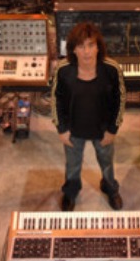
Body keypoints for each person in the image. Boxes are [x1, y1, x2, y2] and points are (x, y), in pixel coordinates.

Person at [51, 22, 126, 212]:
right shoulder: (63, 69)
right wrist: (62, 129)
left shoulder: (111, 69)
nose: (86, 52)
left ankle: (110, 188)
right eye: (81, 46)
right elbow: (56, 99)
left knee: (107, 164)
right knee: (72, 166)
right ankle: (71, 193)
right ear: (73, 49)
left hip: (103, 130)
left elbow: (120, 99)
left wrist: (112, 129)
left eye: (91, 45)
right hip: (73, 130)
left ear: (98, 47)